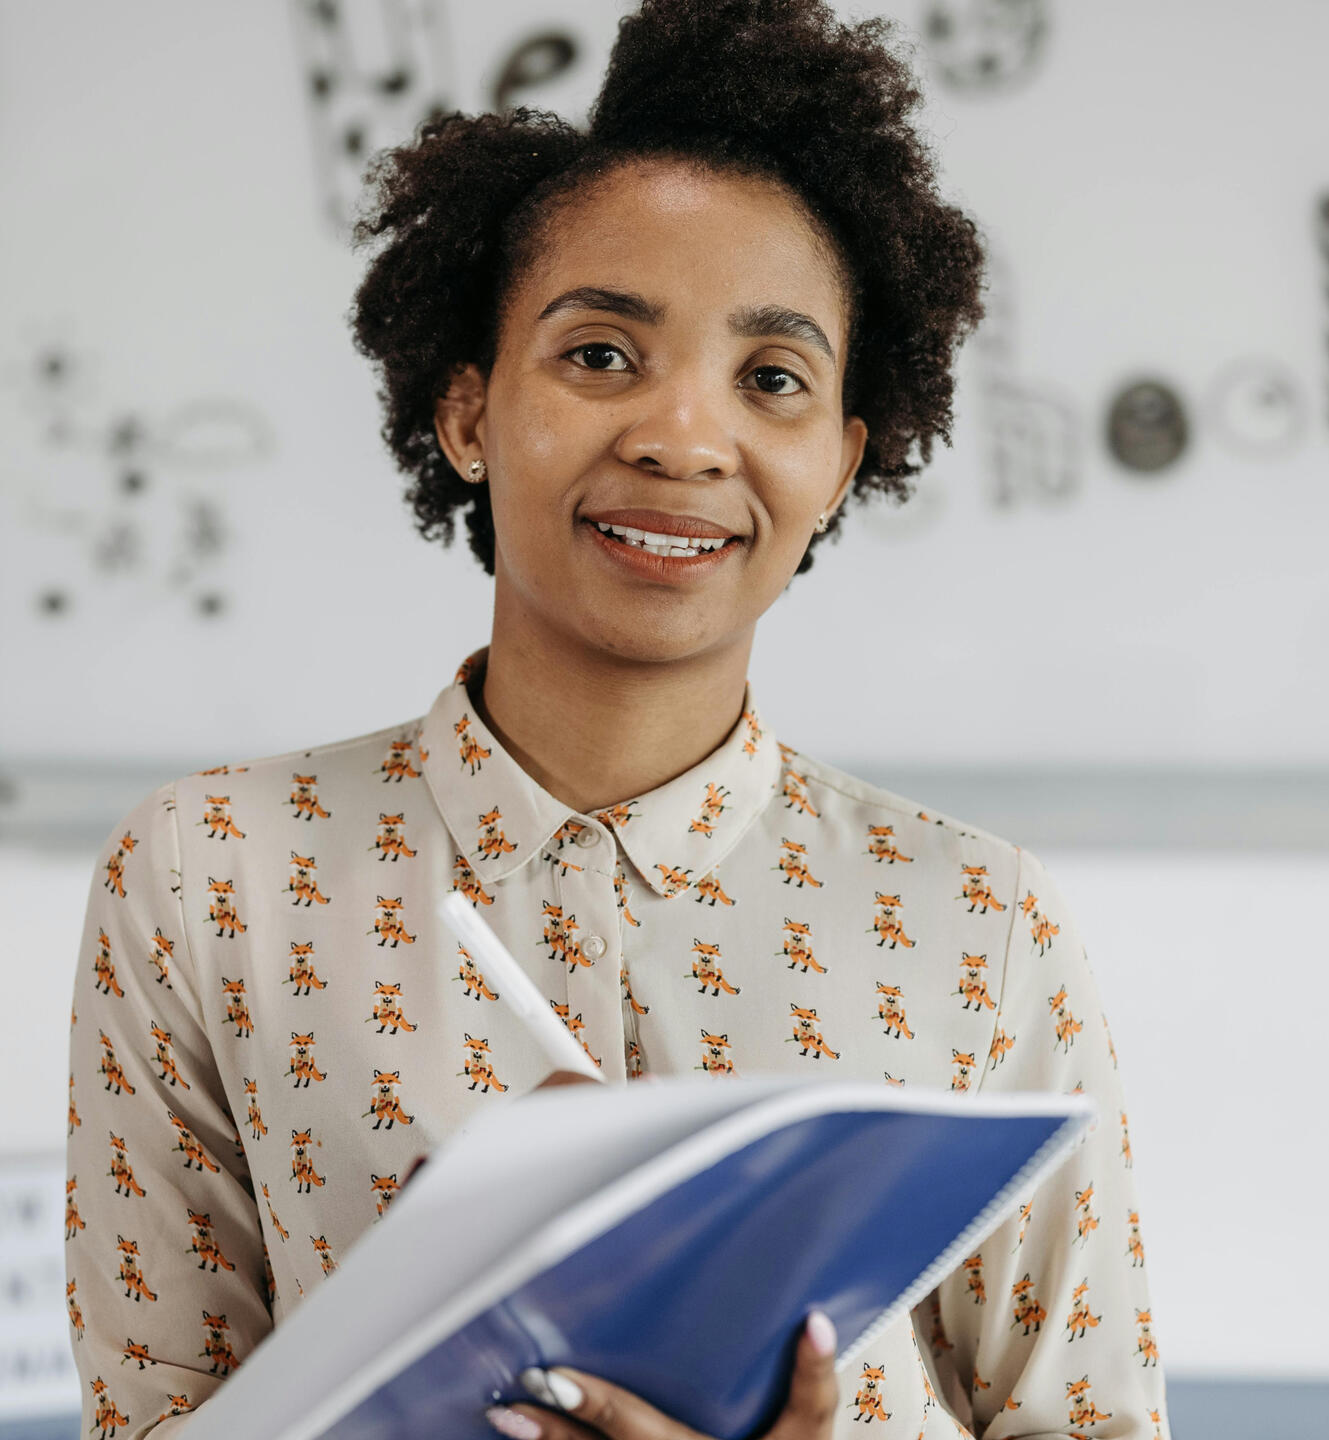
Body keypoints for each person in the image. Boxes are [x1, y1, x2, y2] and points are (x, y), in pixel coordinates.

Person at [62, 1, 1171, 1436]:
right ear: (468, 412)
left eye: (771, 379)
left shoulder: (980, 923)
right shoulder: (212, 875)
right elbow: (154, 1416)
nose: (683, 438)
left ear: (840, 464)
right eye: (599, 355)